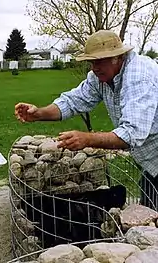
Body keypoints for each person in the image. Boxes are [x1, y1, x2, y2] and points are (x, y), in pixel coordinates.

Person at [15, 29, 158, 210]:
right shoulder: (101, 77)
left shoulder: (139, 77)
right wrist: (38, 114)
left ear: (117, 57)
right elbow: (73, 100)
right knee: (149, 213)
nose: (94, 68)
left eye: (99, 61)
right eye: (91, 62)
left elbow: (132, 133)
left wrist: (87, 139)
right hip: (151, 161)